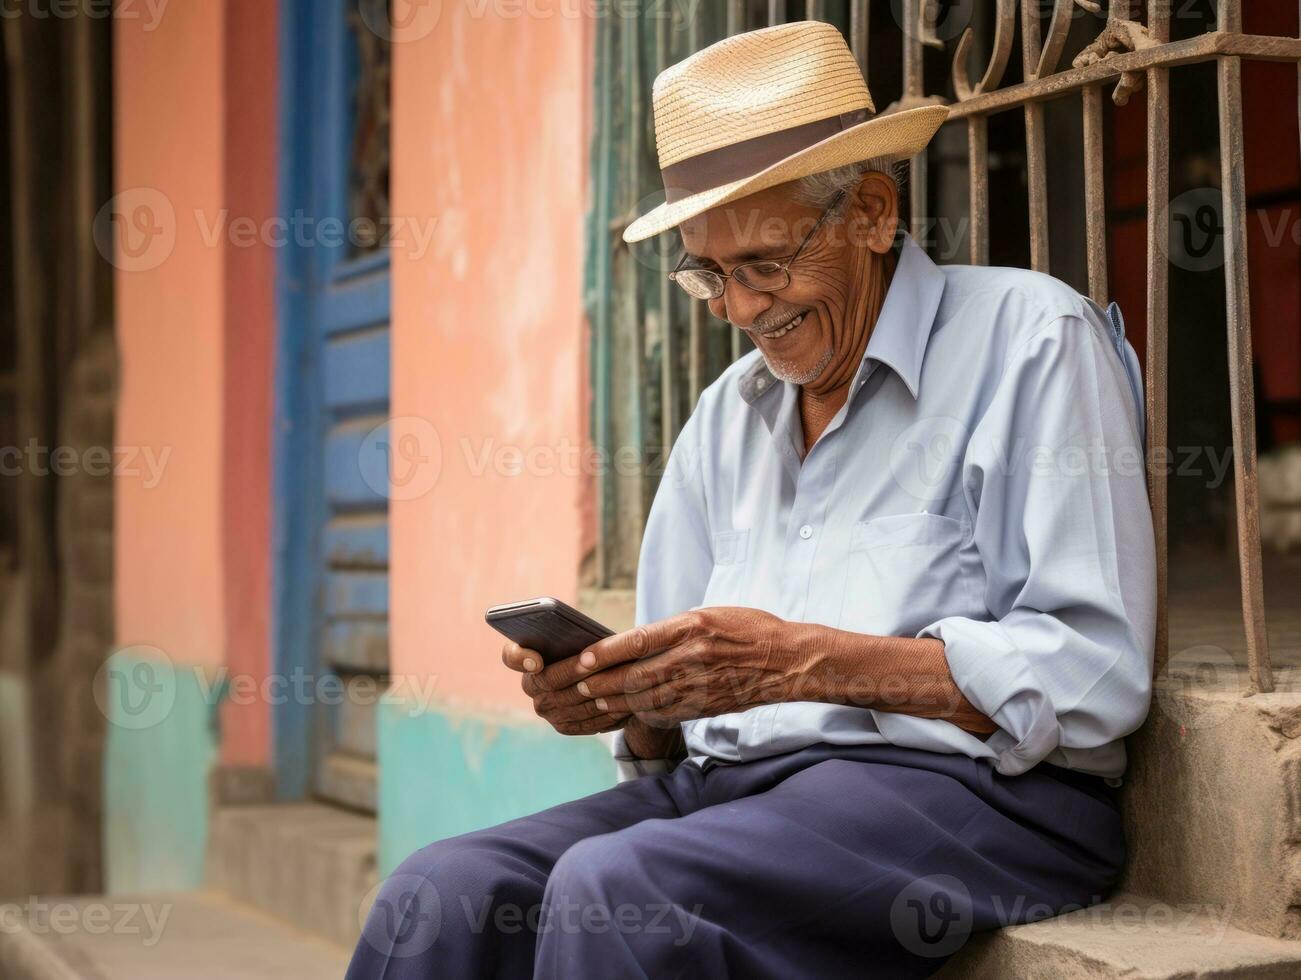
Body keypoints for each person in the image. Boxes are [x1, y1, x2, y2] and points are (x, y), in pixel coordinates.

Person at [349, 20, 1155, 979]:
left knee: (618, 894)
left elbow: (1095, 678)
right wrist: (620, 699)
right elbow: (675, 725)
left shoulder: (1029, 340)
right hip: (733, 790)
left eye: (766, 264)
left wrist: (804, 663)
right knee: (437, 894)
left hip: (977, 798)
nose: (740, 309)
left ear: (871, 211)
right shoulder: (727, 414)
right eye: (709, 274)